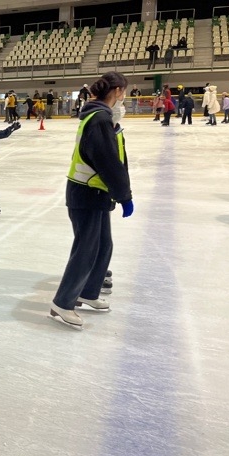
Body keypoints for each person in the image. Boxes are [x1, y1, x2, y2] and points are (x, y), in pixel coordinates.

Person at [50, 72, 133, 329]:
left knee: (103, 245)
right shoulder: (98, 119)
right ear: (117, 91)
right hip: (86, 192)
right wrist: (125, 195)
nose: (125, 97)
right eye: (124, 92)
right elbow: (108, 162)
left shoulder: (103, 118)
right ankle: (63, 303)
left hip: (95, 193)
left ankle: (88, 291)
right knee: (86, 249)